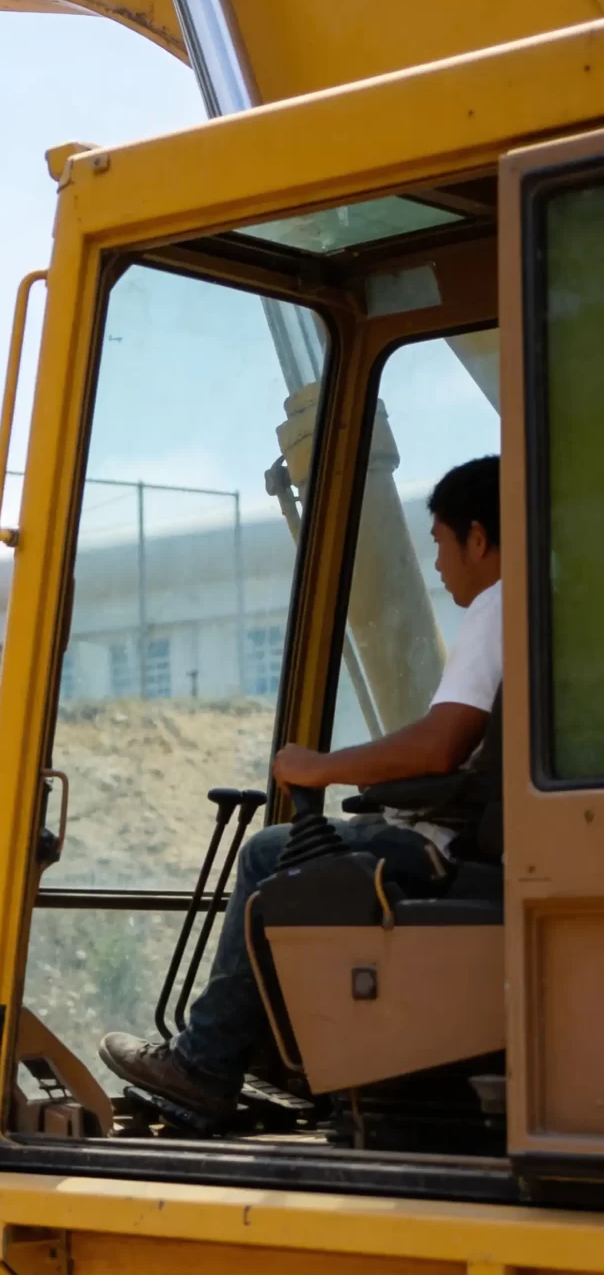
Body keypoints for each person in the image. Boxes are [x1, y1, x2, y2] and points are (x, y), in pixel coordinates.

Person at [98, 454, 502, 1128]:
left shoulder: (498, 607)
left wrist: (320, 767)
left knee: (267, 852)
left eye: (439, 544)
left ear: (479, 539)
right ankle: (237, 1056)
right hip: (473, 836)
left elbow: (441, 745)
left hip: (454, 849)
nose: (436, 564)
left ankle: (204, 1065)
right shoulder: (533, 610)